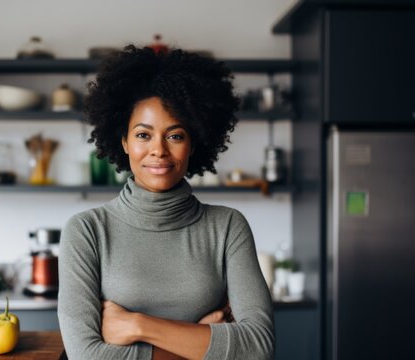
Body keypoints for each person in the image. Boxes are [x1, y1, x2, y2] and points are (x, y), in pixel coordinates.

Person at [58, 45, 275, 360]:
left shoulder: (228, 227)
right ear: (124, 142)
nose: (158, 150)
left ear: (193, 143)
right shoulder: (87, 230)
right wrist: (204, 342)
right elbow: (86, 355)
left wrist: (137, 325)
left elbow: (258, 348)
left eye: (175, 136)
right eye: (143, 135)